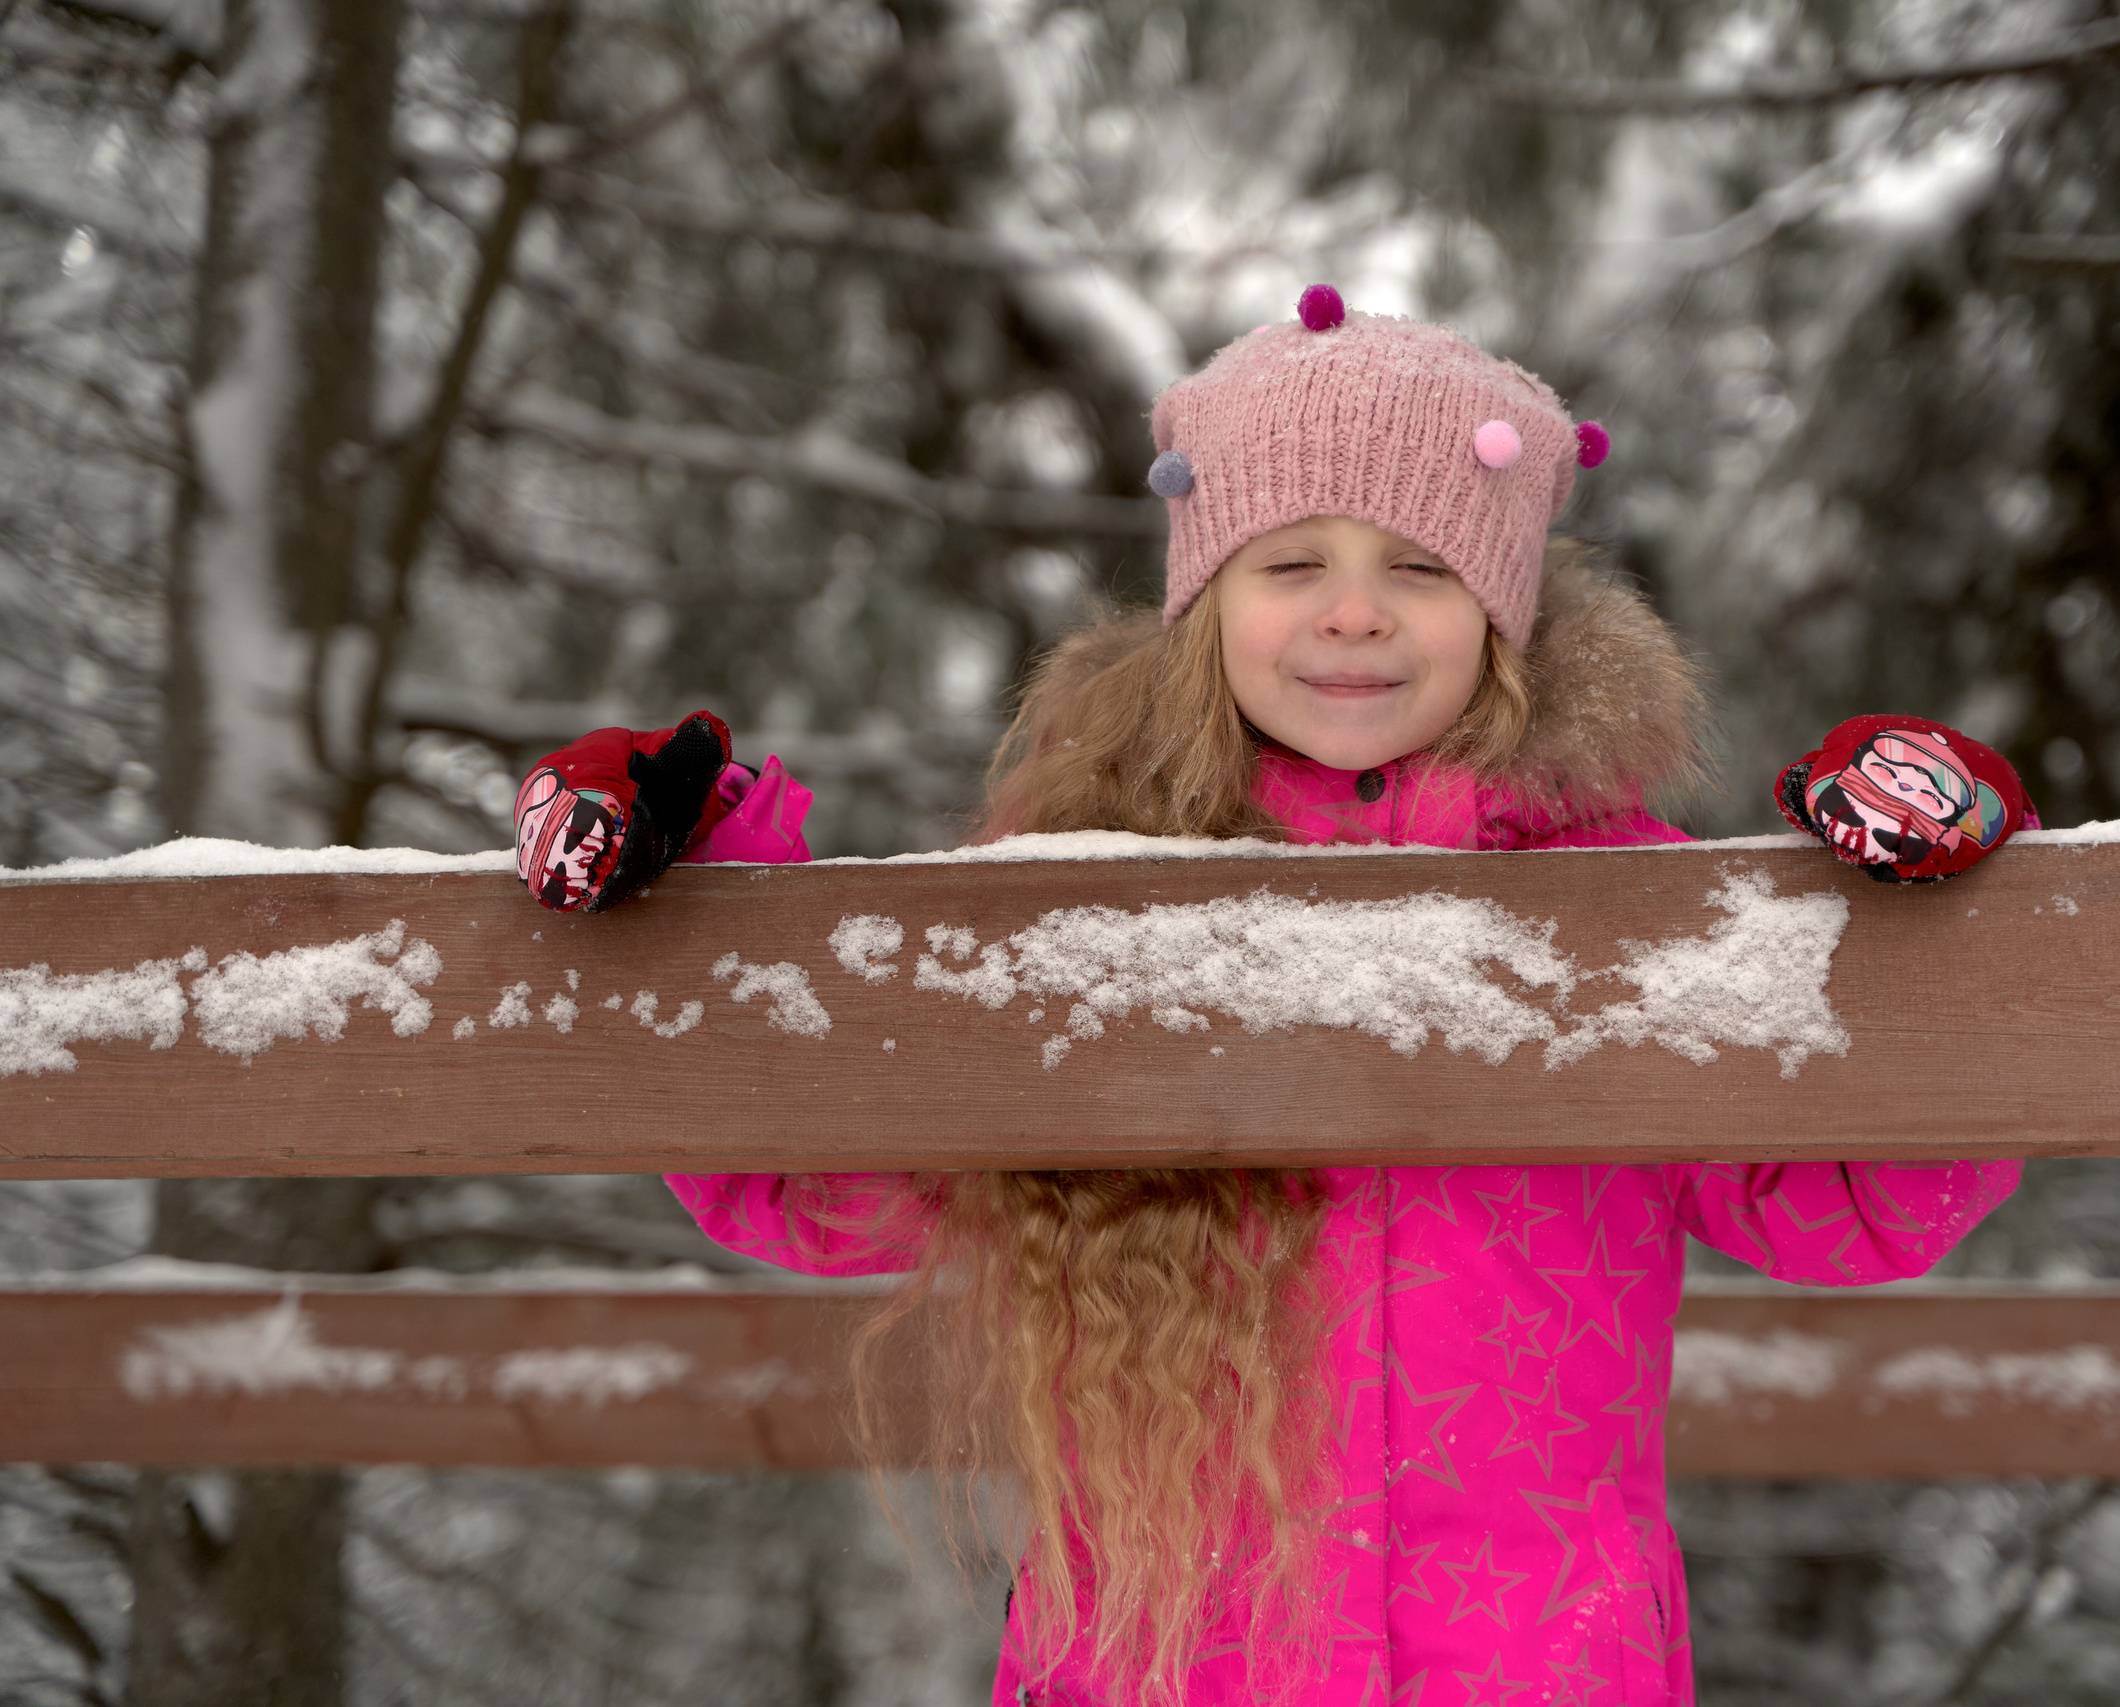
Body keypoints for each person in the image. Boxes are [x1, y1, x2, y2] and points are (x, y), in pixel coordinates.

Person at [512, 286, 2021, 1707]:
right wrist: (700, 892)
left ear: (1502, 610)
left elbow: (1852, 1204)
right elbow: (820, 1188)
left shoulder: (1611, 902)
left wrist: (1919, 933)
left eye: (1419, 566)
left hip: (1536, 1665)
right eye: (1292, 562)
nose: (1353, 614)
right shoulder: (1095, 892)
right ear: (1208, 602)